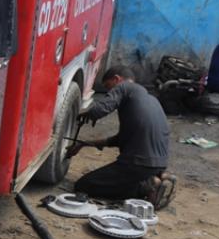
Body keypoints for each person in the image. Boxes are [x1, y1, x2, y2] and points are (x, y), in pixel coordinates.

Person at [70, 66, 176, 208]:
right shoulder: (150, 99)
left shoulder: (124, 87)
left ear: (117, 79)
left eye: (108, 87)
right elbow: (120, 140)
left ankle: (146, 188)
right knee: (121, 177)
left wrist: (86, 113)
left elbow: (101, 109)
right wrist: (84, 144)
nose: (109, 92)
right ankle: (158, 177)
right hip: (158, 164)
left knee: (83, 185)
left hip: (138, 164)